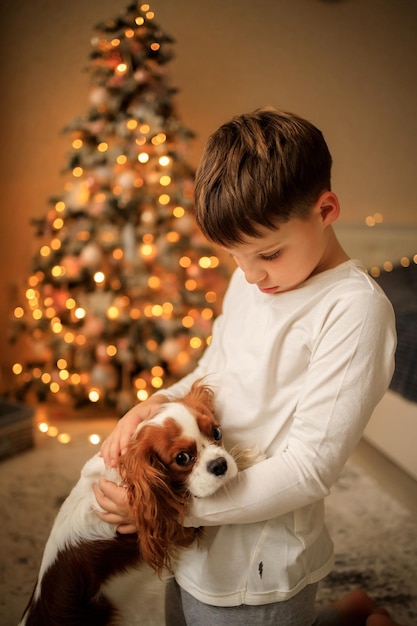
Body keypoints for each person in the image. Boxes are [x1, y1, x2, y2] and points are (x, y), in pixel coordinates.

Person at [96, 107, 397, 626]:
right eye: (236, 257)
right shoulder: (253, 281)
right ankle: (352, 613)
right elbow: (213, 373)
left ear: (325, 210)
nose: (253, 275)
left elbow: (308, 469)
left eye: (269, 253)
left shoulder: (354, 310)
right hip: (198, 536)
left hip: (260, 562)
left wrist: (169, 510)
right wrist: (158, 403)